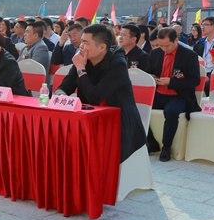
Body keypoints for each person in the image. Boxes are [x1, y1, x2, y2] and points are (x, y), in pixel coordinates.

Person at [55, 24, 146, 162]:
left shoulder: (117, 64)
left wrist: (81, 70)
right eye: (81, 42)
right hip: (88, 119)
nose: (81, 46)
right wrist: (62, 97)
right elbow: (62, 88)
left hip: (117, 123)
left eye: (86, 43)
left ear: (102, 47)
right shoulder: (83, 60)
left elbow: (95, 97)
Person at [146, 28, 201, 161]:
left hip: (178, 95)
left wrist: (171, 82)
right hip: (158, 93)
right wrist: (152, 78)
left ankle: (166, 146)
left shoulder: (189, 55)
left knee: (171, 112)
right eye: (161, 45)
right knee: (137, 108)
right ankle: (151, 142)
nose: (164, 49)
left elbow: (194, 81)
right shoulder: (155, 53)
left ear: (176, 41)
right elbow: (148, 72)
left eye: (167, 46)